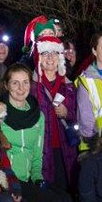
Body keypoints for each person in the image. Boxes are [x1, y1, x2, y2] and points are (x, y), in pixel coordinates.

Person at [0, 64, 73, 202]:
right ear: (6, 85)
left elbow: (37, 155)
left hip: (27, 179)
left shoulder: (38, 115)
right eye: (15, 83)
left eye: (25, 82)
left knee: (65, 198)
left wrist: (38, 180)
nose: (21, 88)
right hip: (6, 178)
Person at [32, 32, 80, 190]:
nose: (50, 58)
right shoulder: (32, 87)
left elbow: (78, 113)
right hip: (41, 148)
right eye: (45, 53)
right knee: (48, 191)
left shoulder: (69, 86)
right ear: (39, 58)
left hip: (64, 147)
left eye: (54, 53)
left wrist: (67, 113)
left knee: (66, 188)